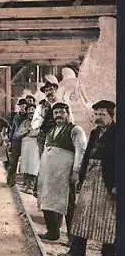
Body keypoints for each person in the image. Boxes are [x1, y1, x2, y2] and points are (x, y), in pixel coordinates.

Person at [57, 100, 116, 256]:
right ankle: (76, 252)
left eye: (102, 114)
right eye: (96, 114)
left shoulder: (118, 133)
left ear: (111, 115)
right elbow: (85, 157)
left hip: (108, 180)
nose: (98, 117)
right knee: (81, 214)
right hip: (90, 178)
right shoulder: (95, 132)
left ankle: (108, 254)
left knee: (108, 218)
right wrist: (80, 178)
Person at [37, 103, 87, 241]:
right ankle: (53, 232)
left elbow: (81, 151)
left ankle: (73, 238)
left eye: (61, 112)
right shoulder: (52, 131)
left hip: (65, 175)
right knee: (47, 202)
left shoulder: (75, 130)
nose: (58, 115)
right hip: (49, 175)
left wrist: (76, 171)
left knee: (68, 205)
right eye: (56, 112)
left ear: (68, 113)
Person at [16, 103, 40, 194]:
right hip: (25, 143)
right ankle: (26, 184)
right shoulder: (25, 122)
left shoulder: (39, 122)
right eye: (29, 112)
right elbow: (19, 133)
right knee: (26, 164)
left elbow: (37, 132)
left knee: (33, 165)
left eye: (33, 111)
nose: (31, 113)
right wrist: (26, 131)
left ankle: (32, 186)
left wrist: (30, 131)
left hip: (34, 144)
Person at [32, 80, 60, 155]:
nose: (49, 92)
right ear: (44, 93)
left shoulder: (63, 105)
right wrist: (42, 116)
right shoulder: (40, 107)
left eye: (51, 89)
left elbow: (70, 121)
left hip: (59, 137)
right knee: (43, 160)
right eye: (46, 91)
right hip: (43, 137)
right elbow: (34, 125)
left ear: (55, 90)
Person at [6, 99, 27, 187]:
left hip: (26, 141)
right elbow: (13, 129)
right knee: (13, 161)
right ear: (19, 106)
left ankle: (26, 181)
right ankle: (10, 180)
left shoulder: (29, 116)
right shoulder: (16, 117)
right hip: (16, 141)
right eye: (21, 106)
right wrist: (10, 140)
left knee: (26, 161)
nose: (22, 107)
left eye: (24, 106)